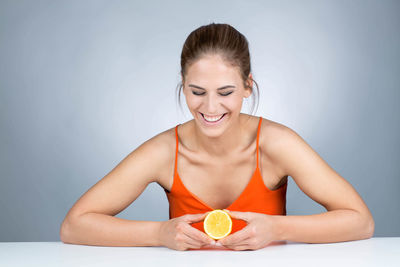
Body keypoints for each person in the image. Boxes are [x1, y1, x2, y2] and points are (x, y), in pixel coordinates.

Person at [60, 23, 374, 251]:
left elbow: (361, 221)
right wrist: (159, 233)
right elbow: (74, 226)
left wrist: (276, 228)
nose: (210, 108)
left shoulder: (277, 144)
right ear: (183, 85)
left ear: (248, 86)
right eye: (197, 92)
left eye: (226, 92)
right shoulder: (163, 151)